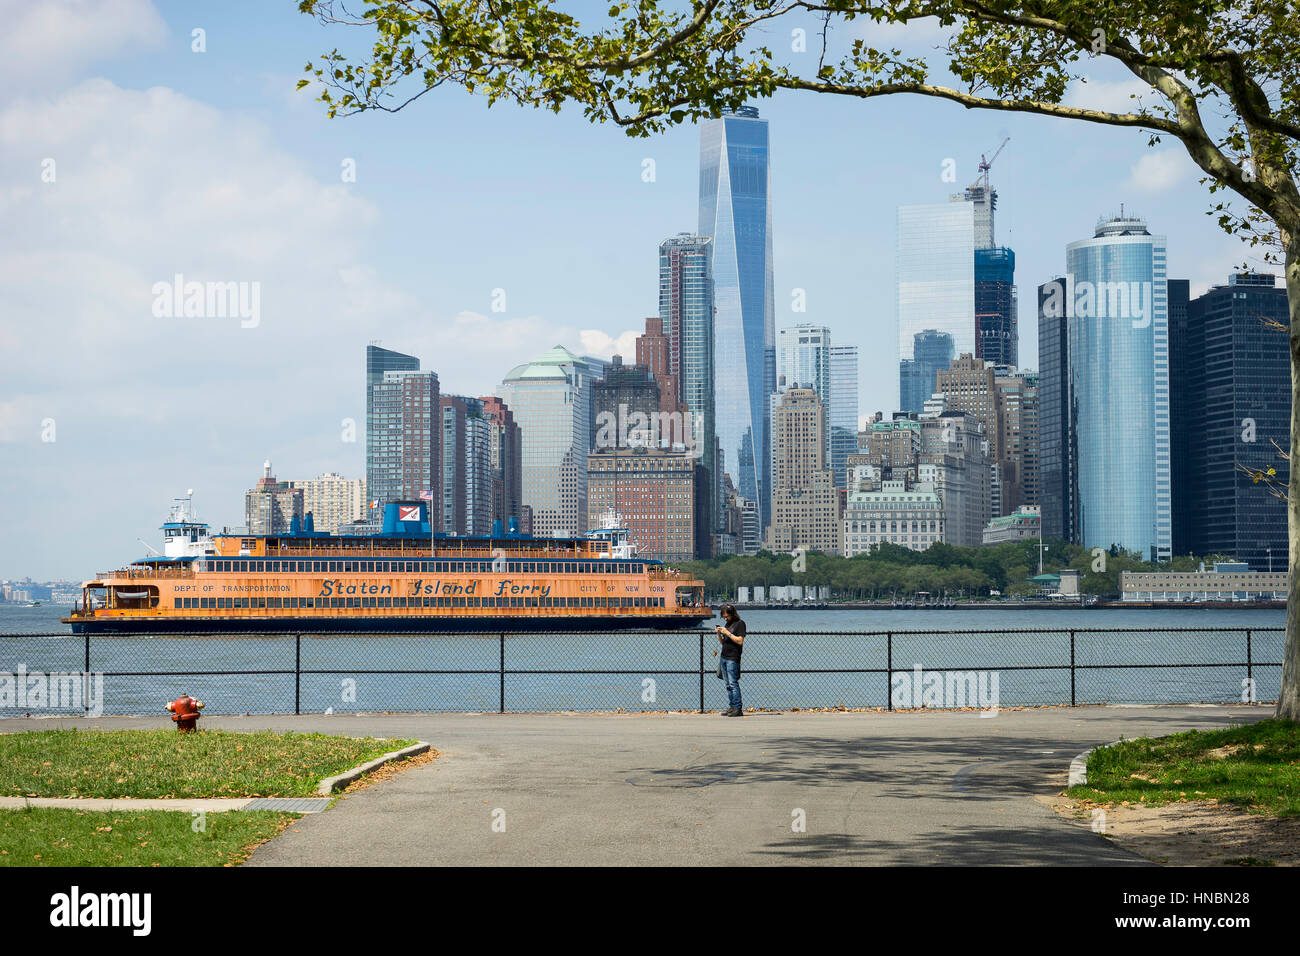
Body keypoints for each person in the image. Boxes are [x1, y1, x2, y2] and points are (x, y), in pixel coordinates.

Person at [715, 604, 746, 716]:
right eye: (723, 617)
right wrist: (719, 633)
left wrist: (727, 632)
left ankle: (738, 708)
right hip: (724, 656)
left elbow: (739, 640)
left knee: (733, 683)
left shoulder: (740, 624)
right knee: (727, 684)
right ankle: (732, 706)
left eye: (727, 616)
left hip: (733, 657)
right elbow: (723, 642)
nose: (725, 619)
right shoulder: (728, 624)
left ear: (732, 614)